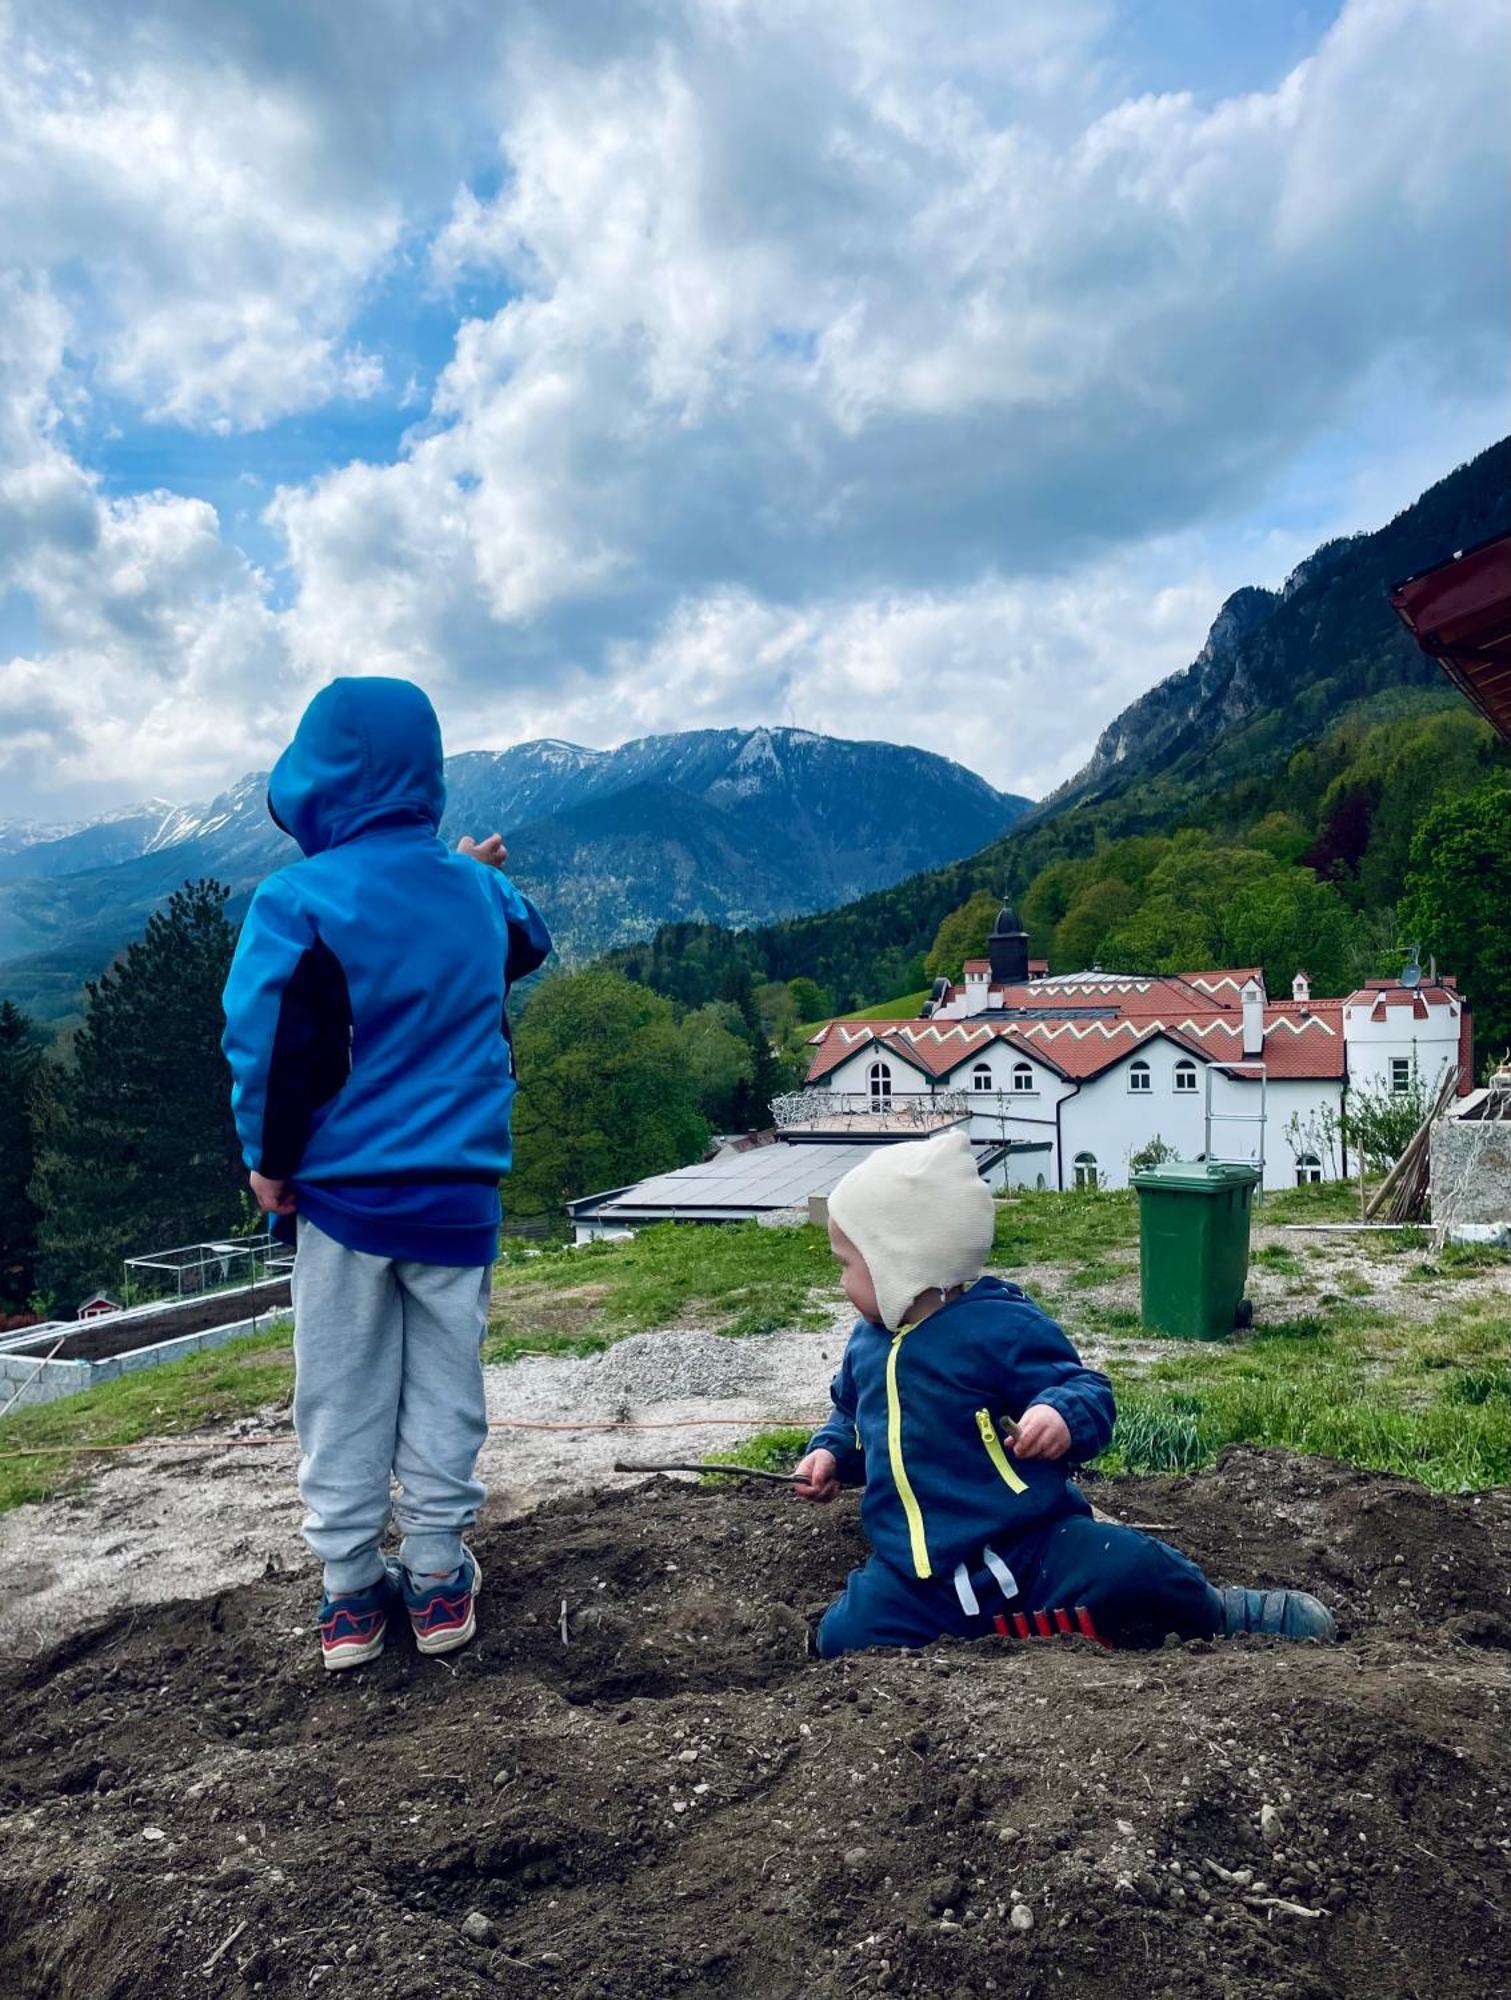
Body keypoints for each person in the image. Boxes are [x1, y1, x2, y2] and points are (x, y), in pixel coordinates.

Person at [222, 677, 550, 1671]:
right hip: (457, 1198)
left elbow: (269, 1045)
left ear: (314, 779)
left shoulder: (295, 900)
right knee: (446, 1391)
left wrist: (268, 1164)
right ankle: (442, 1577)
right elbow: (523, 941)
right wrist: (464, 871)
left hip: (344, 1199)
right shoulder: (481, 894)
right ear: (428, 774)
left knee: (341, 1394)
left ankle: (351, 1597)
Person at [795, 1131, 1335, 1658]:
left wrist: (1057, 1413)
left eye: (847, 1264)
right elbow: (850, 1411)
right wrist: (830, 1452)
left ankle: (1220, 1612)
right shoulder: (867, 1346)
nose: (841, 1282)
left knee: (1130, 1568)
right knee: (845, 1635)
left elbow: (1086, 1388)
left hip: (1030, 1551)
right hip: (917, 1576)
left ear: (897, 1259)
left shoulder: (998, 1327)